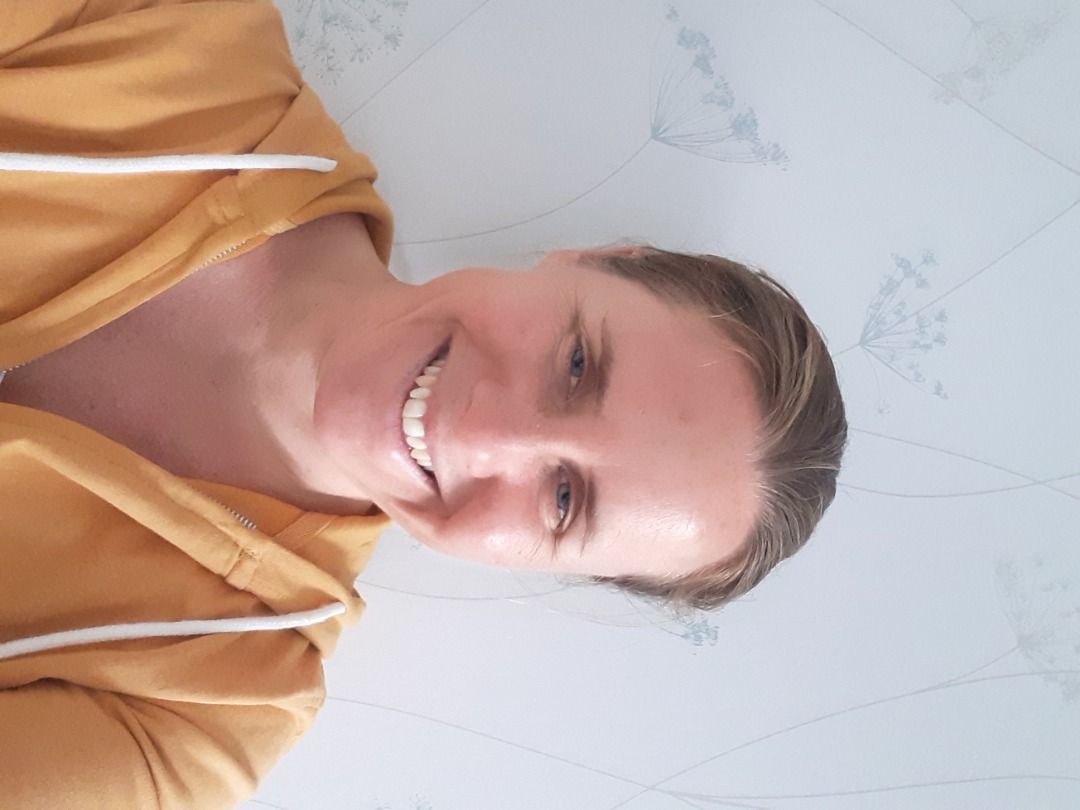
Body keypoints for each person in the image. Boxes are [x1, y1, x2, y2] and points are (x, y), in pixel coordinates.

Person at [0, 1, 846, 807]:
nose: (483, 433)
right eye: (577, 363)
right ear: (588, 258)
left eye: (563, 499)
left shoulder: (207, 712)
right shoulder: (180, 42)